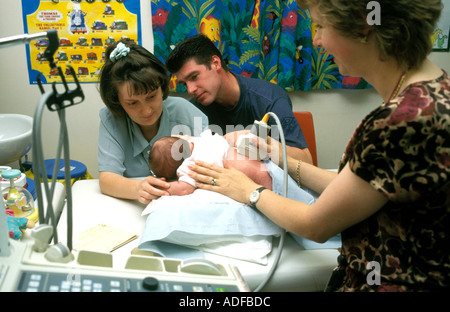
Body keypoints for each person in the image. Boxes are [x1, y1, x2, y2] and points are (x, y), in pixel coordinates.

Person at [187, 0, 450, 291]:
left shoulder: (401, 121)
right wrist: (276, 154)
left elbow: (316, 225)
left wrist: (248, 190)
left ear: (363, 26)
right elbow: (357, 184)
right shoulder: (433, 92)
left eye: (321, 26)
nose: (316, 40)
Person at [165, 34, 313, 164]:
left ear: (215, 63)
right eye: (184, 84)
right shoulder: (193, 110)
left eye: (194, 77)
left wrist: (256, 142)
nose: (190, 90)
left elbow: (305, 160)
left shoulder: (269, 99)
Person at [97, 39, 209, 204]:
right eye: (132, 103)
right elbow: (107, 179)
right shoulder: (111, 120)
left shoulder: (187, 113)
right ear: (117, 101)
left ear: (162, 86)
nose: (147, 110)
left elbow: (215, 164)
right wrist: (138, 188)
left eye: (151, 97)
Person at [148, 130, 272, 196]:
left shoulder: (191, 166)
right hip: (264, 163)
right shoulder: (200, 140)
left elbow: (184, 189)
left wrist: (163, 188)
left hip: (255, 179)